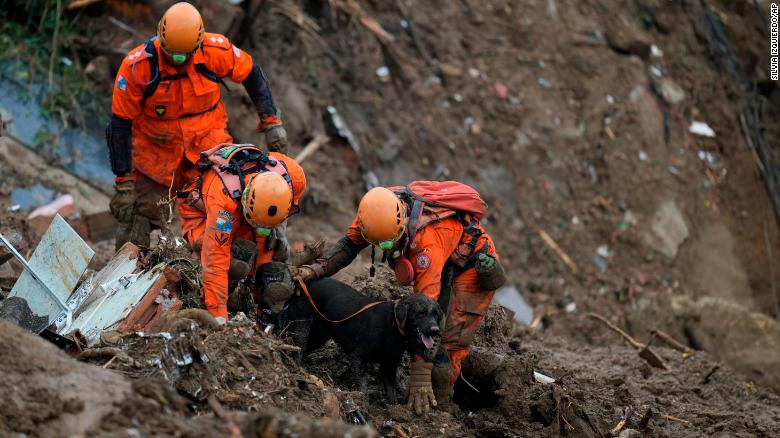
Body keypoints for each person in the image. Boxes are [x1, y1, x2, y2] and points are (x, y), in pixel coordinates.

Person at [296, 182, 506, 415]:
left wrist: (420, 378)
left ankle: (443, 407)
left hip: (470, 265)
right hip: (441, 254)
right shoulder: (374, 213)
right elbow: (347, 247)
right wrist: (312, 271)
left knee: (446, 339)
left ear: (402, 224)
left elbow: (426, 304)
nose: (387, 248)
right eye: (380, 245)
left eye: (389, 243)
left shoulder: (427, 240)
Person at [107, 2, 289, 249]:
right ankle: (126, 274)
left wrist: (271, 123)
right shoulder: (137, 67)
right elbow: (120, 125)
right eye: (173, 54)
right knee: (139, 217)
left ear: (199, 43)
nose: (178, 60)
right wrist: (124, 182)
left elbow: (252, 74)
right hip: (156, 154)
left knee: (224, 207)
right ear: (161, 37)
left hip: (209, 149)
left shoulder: (216, 51)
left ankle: (229, 263)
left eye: (185, 55)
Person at [178, 143, 306, 324]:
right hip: (202, 214)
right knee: (235, 263)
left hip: (254, 216)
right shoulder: (224, 208)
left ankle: (260, 309)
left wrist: (278, 232)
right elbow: (215, 263)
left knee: (267, 271)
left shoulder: (294, 177)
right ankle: (221, 300)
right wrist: (218, 319)